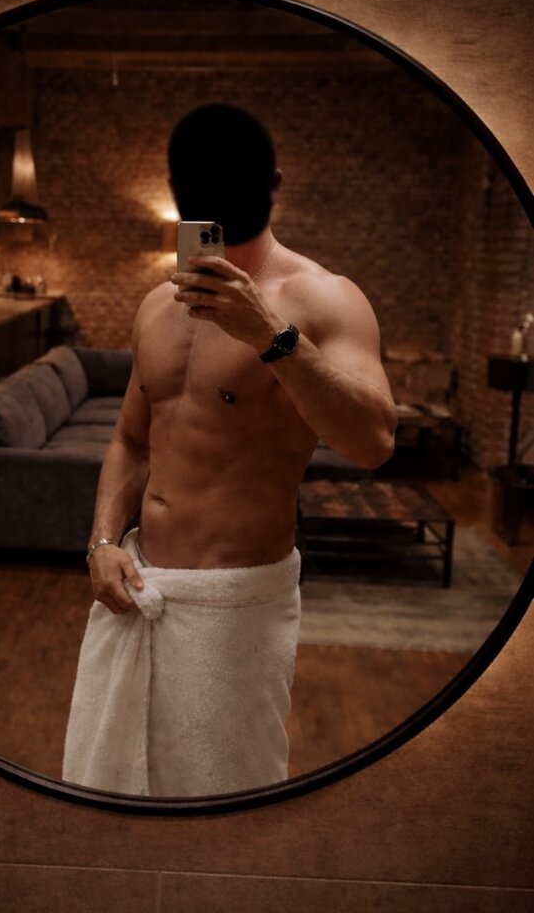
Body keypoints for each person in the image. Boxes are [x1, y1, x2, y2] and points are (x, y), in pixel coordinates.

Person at [62, 104, 398, 798]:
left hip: (235, 605)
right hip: (139, 584)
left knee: (228, 800)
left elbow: (373, 443)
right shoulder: (157, 304)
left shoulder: (325, 299)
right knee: (108, 790)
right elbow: (130, 439)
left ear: (272, 186)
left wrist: (271, 336)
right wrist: (102, 541)